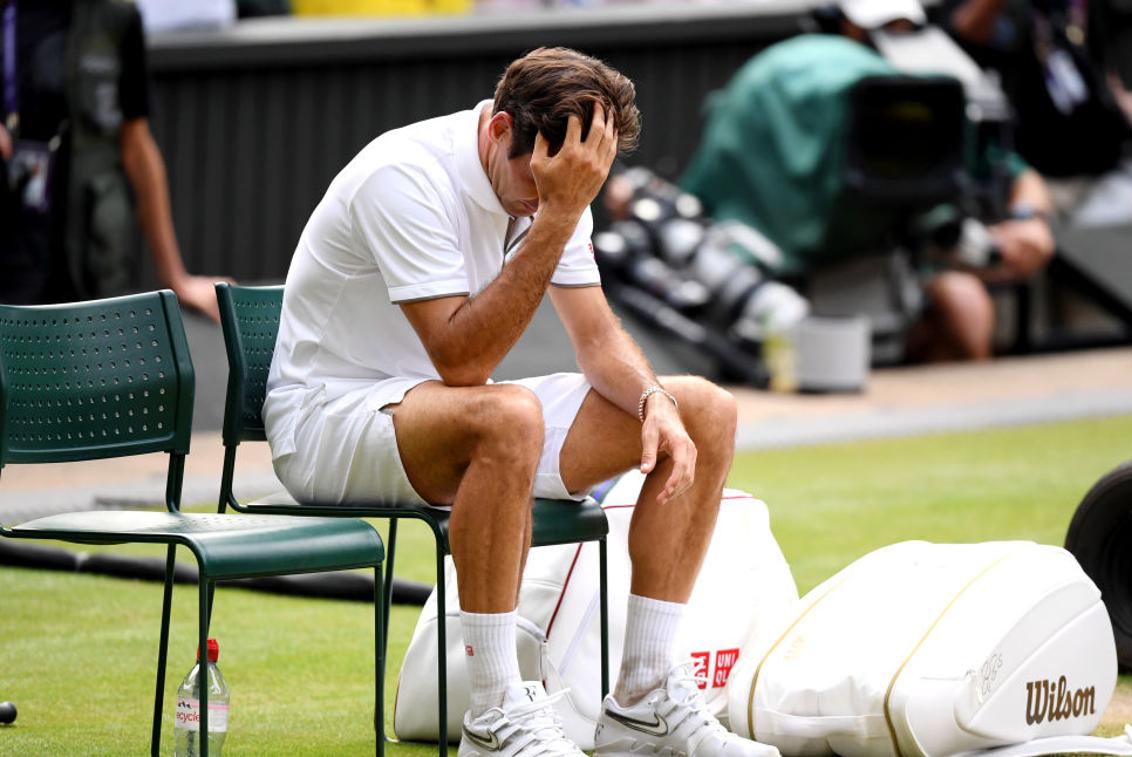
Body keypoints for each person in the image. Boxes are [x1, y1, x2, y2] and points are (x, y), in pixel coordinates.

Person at [263, 47, 778, 757]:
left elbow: (597, 339)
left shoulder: (556, 185)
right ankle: (495, 713)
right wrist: (559, 214)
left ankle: (645, 699)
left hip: (446, 410)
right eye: (535, 182)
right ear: (499, 129)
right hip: (327, 420)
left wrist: (653, 397)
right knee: (507, 417)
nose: (544, 199)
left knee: (702, 409)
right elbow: (463, 359)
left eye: (567, 188)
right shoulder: (403, 175)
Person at [680, 0, 1056, 361]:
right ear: (841, 23)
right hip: (773, 290)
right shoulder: (772, 81)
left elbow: (1015, 174)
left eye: (902, 28)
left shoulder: (929, 96)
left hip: (888, 277)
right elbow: (704, 195)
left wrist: (1028, 221)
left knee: (965, 305)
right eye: (879, 28)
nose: (891, 39)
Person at [0, 0, 225, 320]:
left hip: (91, 261)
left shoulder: (117, 17)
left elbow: (137, 146)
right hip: (13, 262)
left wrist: (176, 278)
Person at [942, 0, 1132, 226]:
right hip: (1036, 178)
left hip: (1100, 168)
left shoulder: (1080, 6)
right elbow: (965, 31)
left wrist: (1125, 104)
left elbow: (1099, 67)